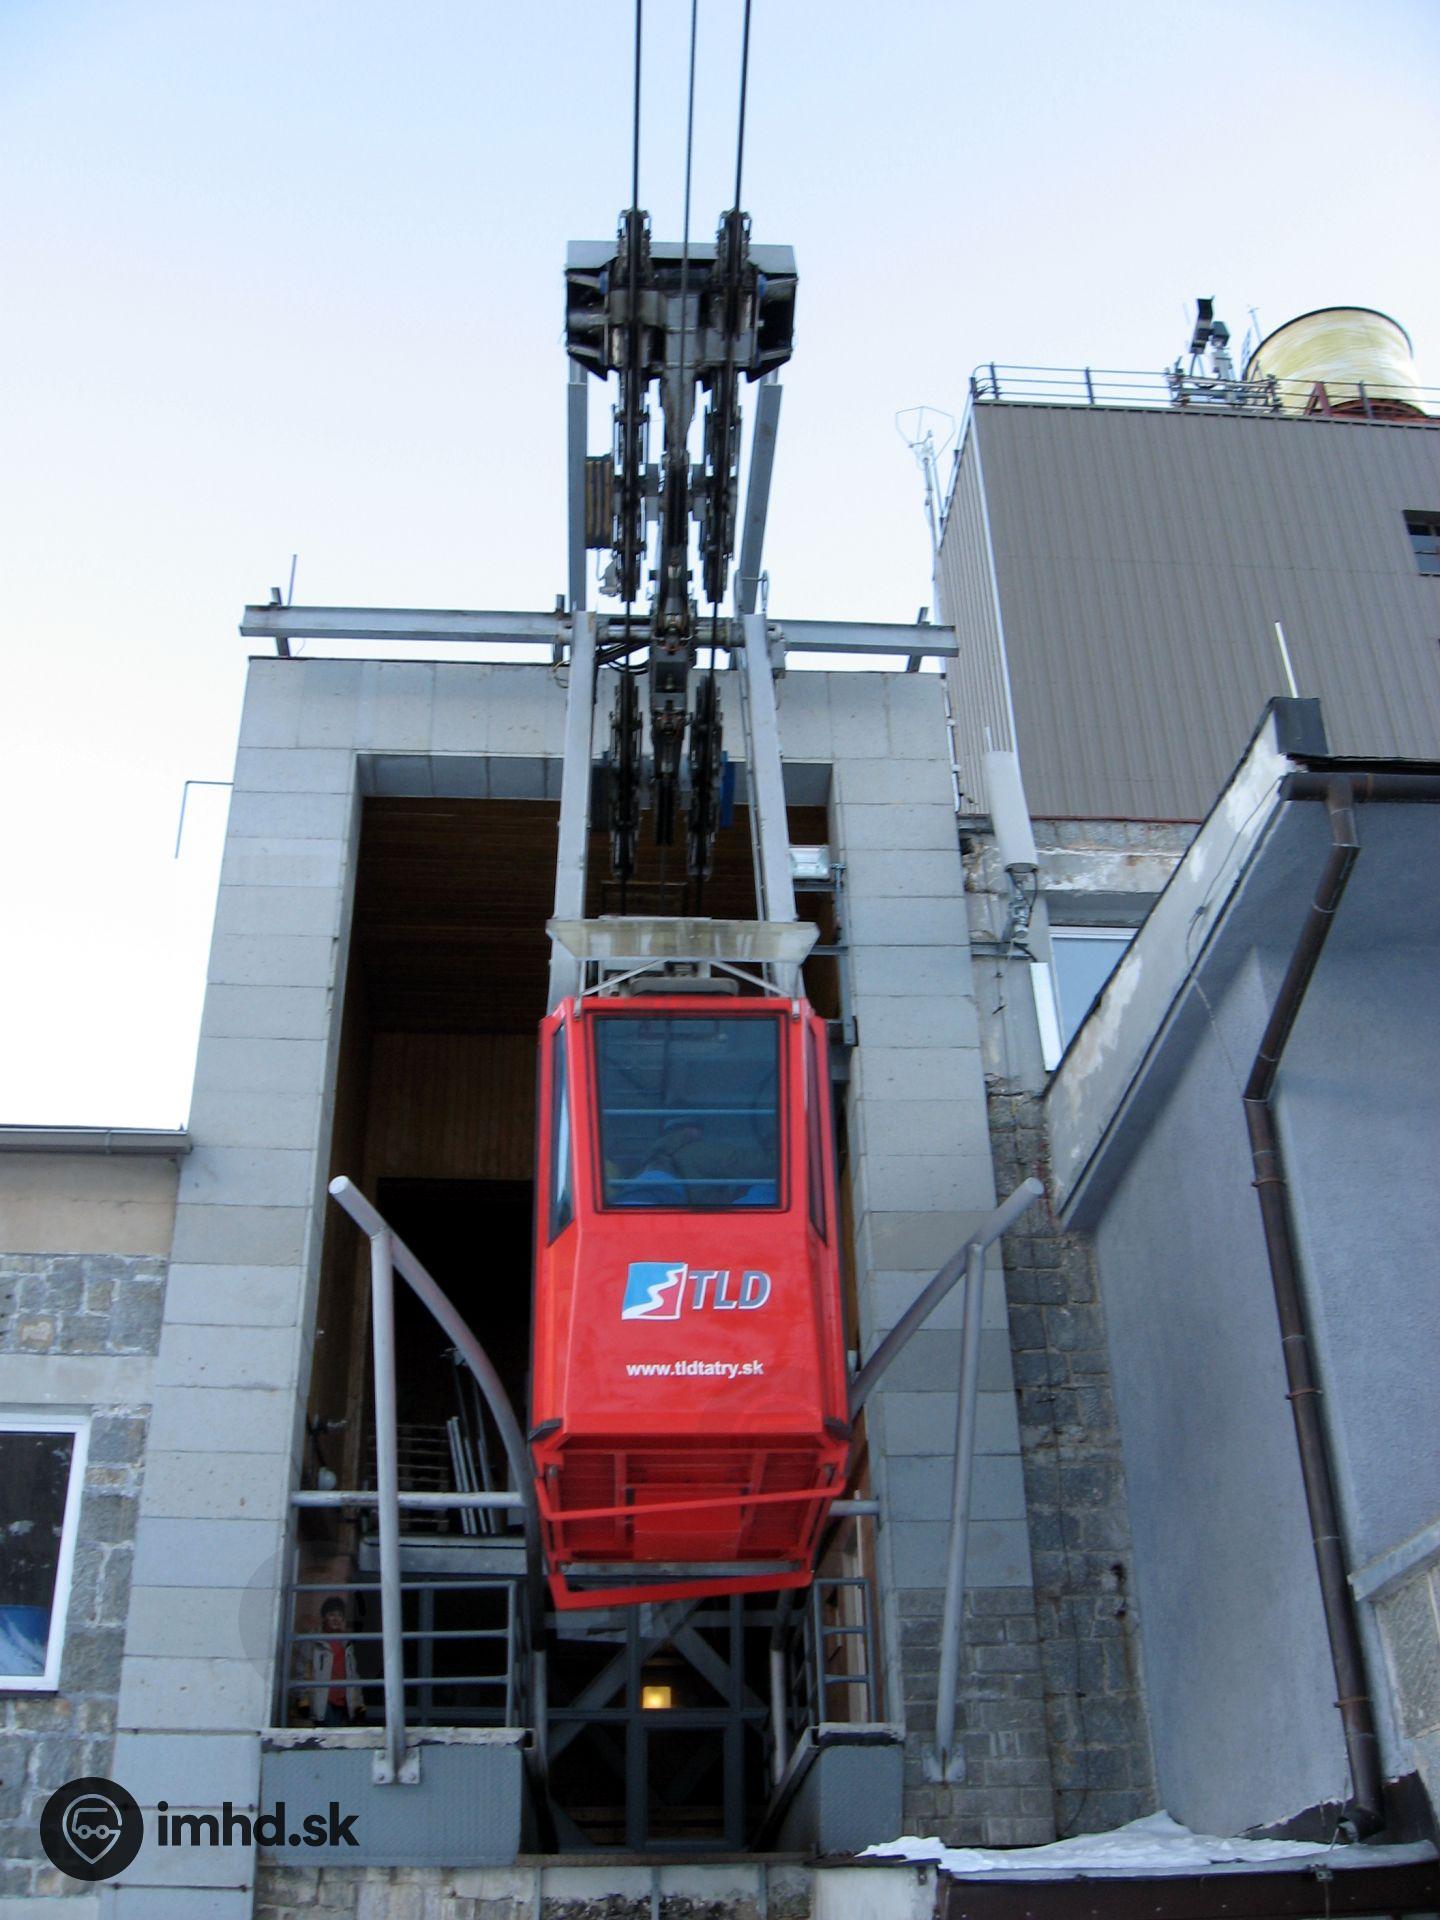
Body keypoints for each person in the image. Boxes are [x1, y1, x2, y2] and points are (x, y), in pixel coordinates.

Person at [303, 1596, 365, 1726]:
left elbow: (353, 1675)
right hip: (323, 1702)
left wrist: (358, 1704)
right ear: (324, 1617)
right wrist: (303, 1699)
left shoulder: (347, 1643)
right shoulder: (313, 1641)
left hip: (343, 1703)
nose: (336, 1619)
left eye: (340, 1615)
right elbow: (304, 1669)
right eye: (331, 1614)